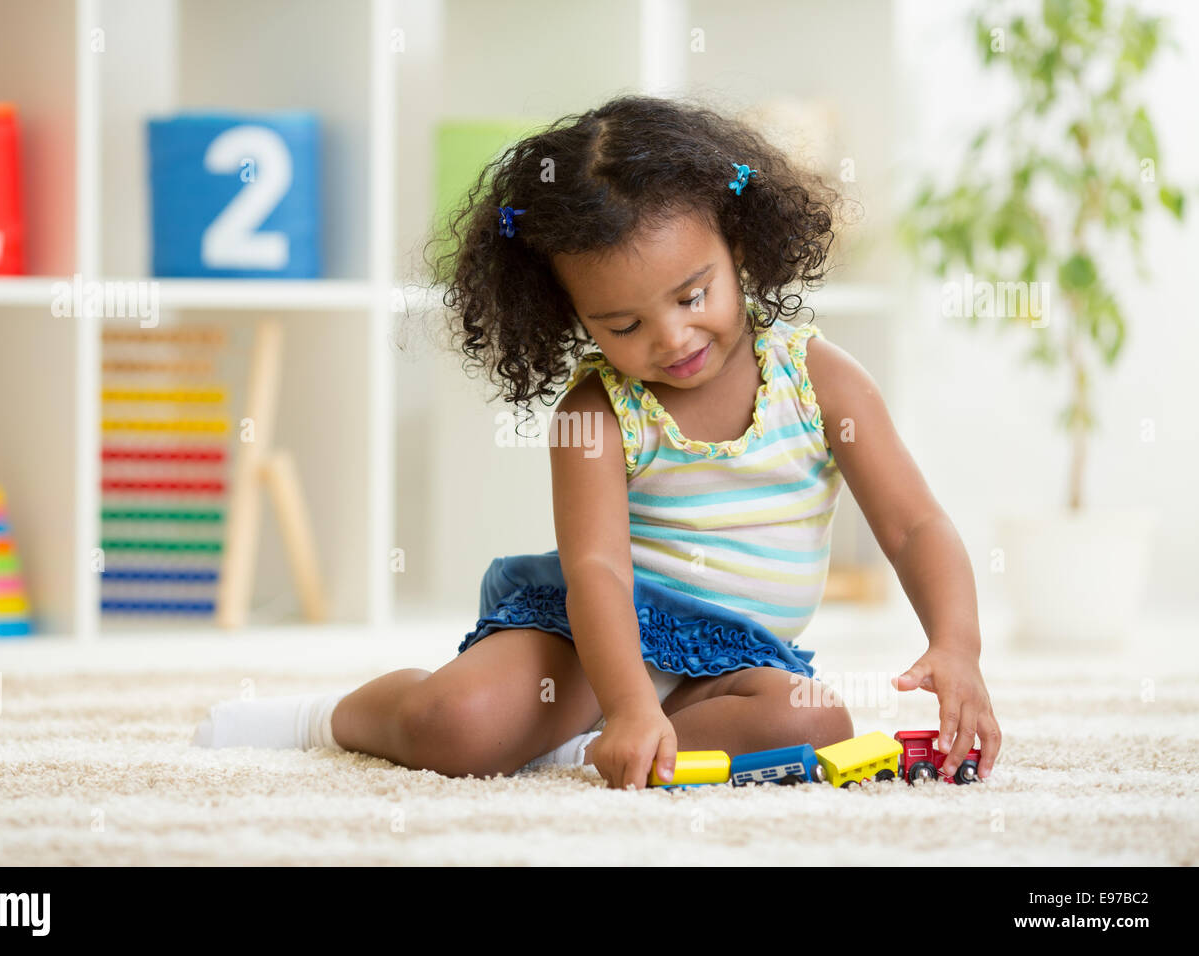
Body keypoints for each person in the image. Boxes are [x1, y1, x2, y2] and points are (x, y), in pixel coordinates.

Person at [192, 94, 1002, 791]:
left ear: (739, 246)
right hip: (590, 640)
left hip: (737, 661)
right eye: (623, 324)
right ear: (571, 318)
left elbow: (913, 526)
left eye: (694, 294)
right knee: (459, 728)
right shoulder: (598, 410)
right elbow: (599, 571)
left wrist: (954, 645)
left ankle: (587, 750)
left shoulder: (821, 380)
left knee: (817, 719)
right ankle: (323, 718)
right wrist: (627, 701)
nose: (673, 335)